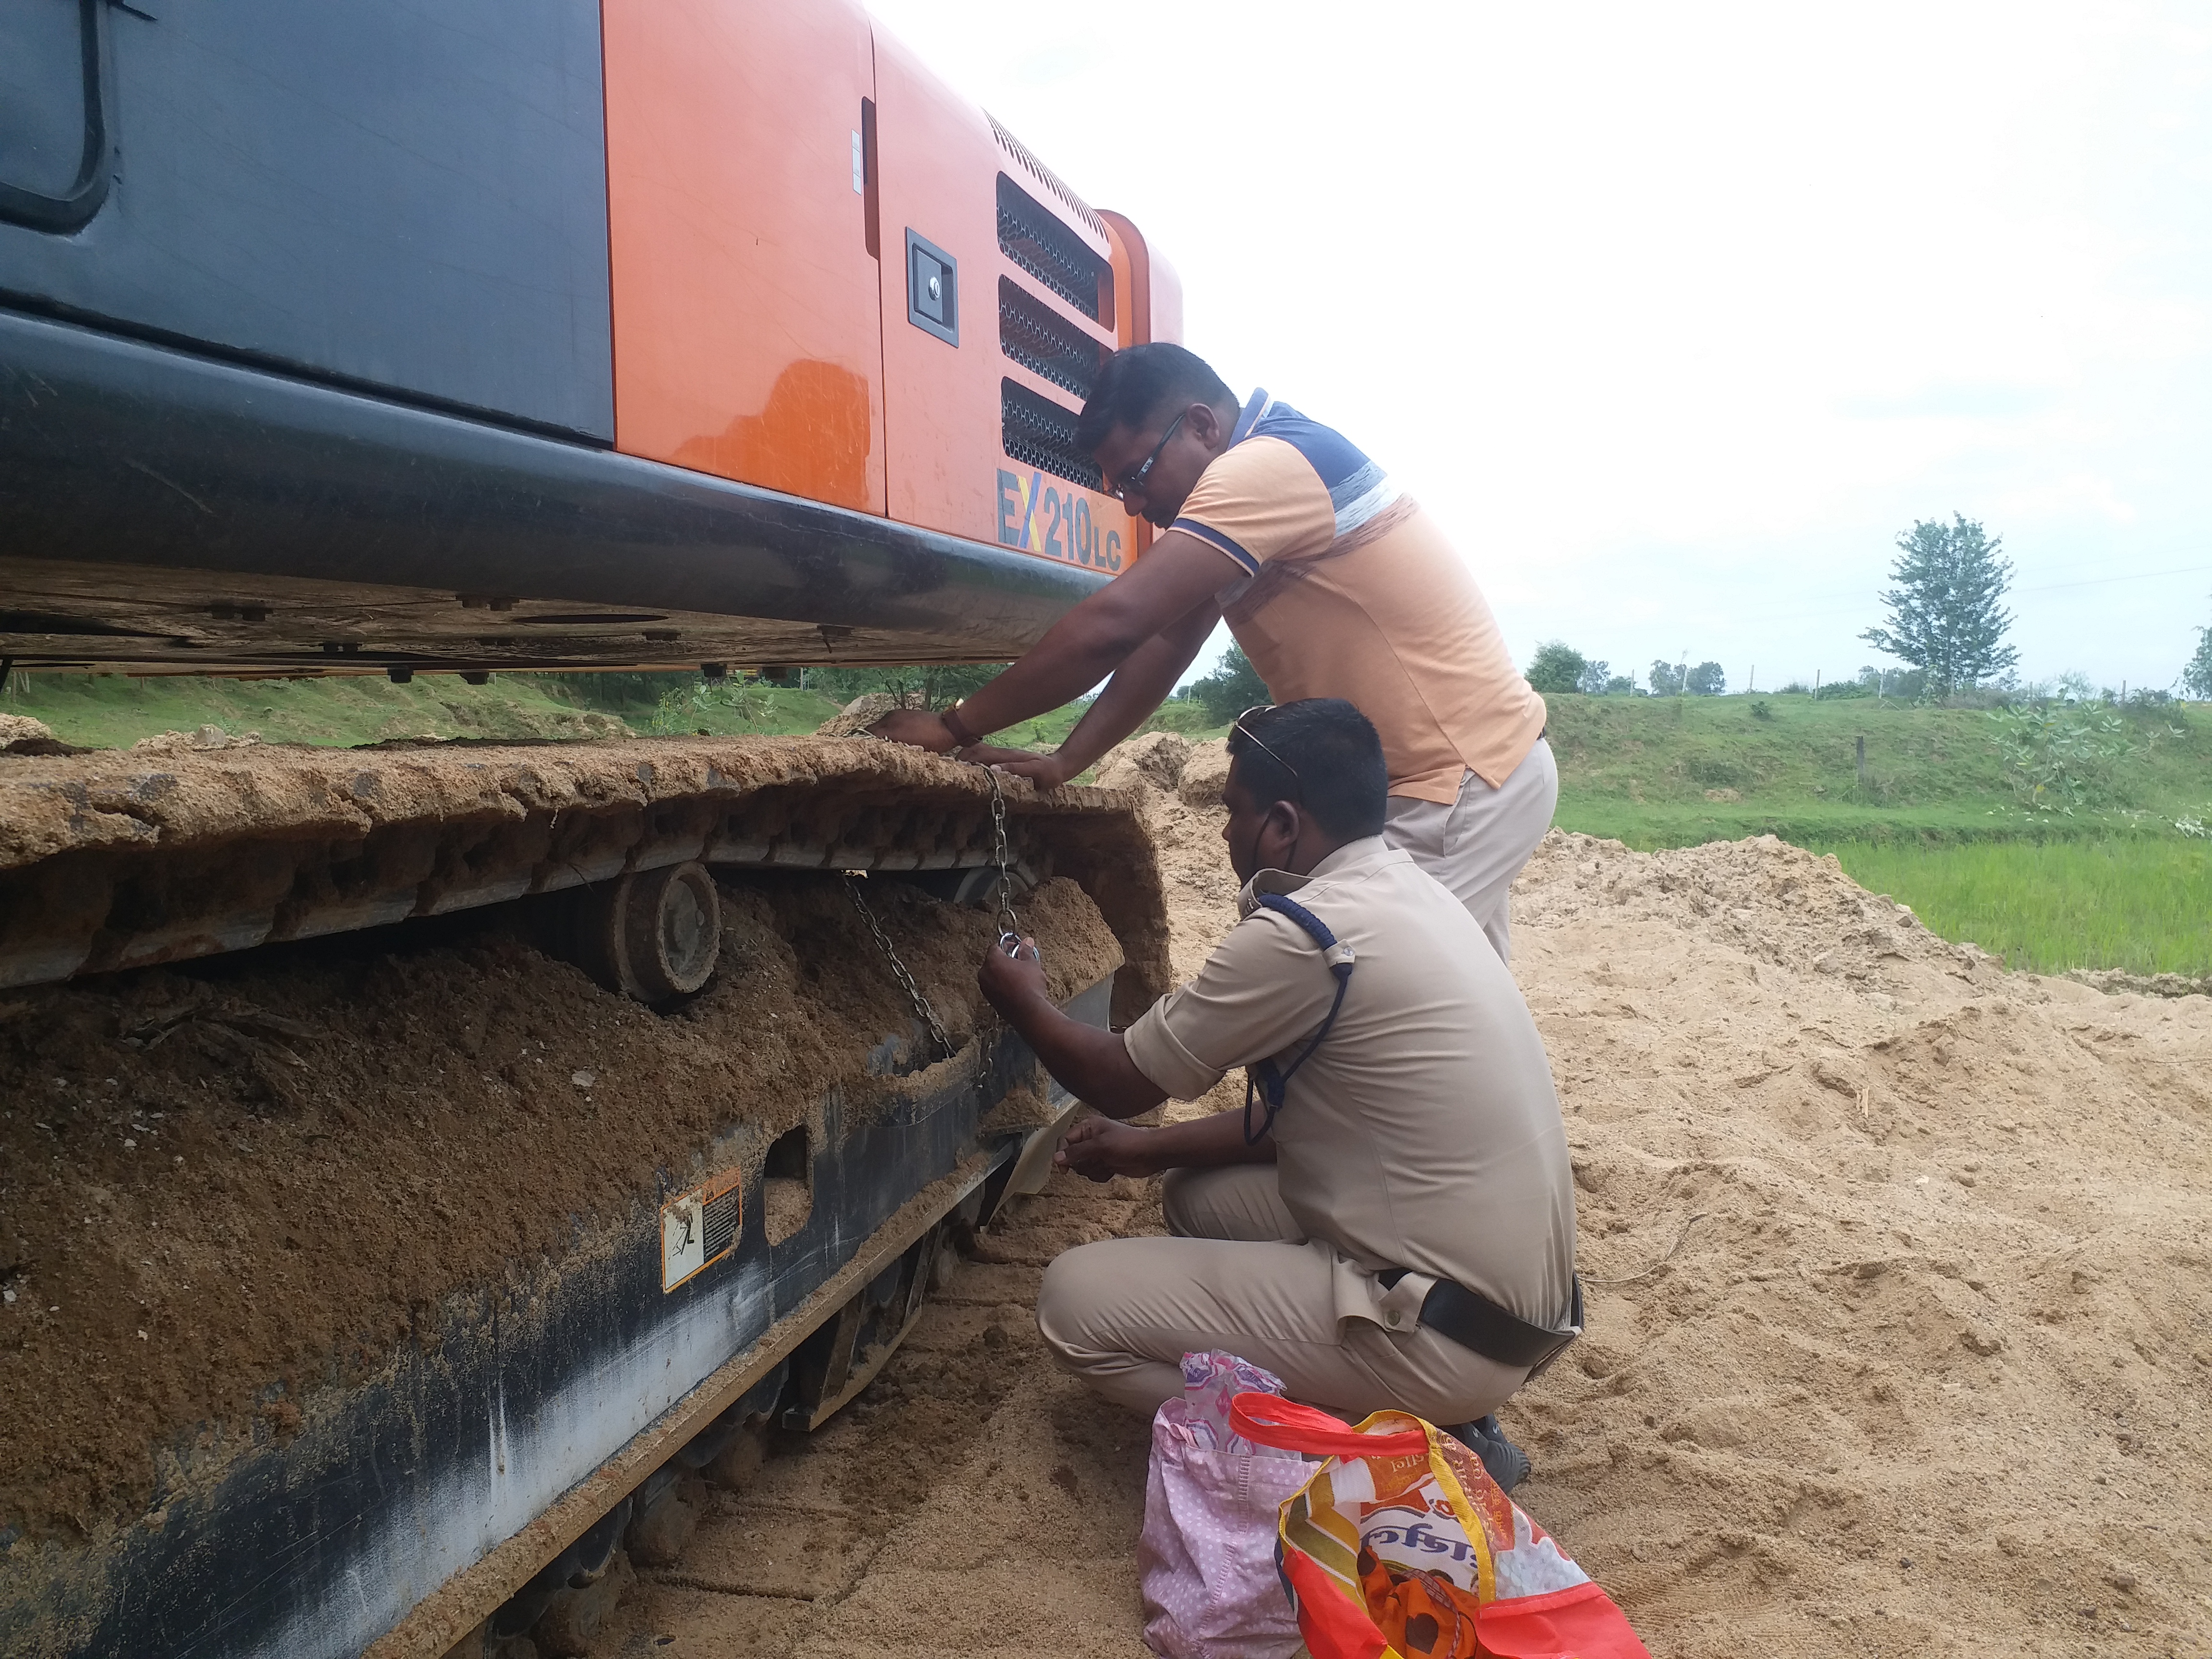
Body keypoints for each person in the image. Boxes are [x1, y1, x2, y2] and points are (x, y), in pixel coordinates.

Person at [974, 699, 1577, 1486]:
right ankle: (1423, 1403)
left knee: (1074, 1305)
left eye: (1235, 813)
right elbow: (1300, 1119)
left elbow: (1116, 1080)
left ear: (1285, 825)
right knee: (1198, 1197)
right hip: (1513, 1307)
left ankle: (1383, 1446)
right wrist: (1151, 1152)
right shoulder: (1412, 891)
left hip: (1445, 1332)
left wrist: (1022, 996)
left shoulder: (1304, 937)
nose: (1225, 833)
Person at [876, 343, 1556, 960]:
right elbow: (1171, 637)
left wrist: (953, 727)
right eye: (1120, 490)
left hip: (1450, 787)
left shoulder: (1262, 470)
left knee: (1341, 996)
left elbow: (1114, 625)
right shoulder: (1272, 465)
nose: (1137, 504)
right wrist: (1068, 759)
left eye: (1140, 474)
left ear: (1201, 425)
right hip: (1471, 774)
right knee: (1462, 1014)